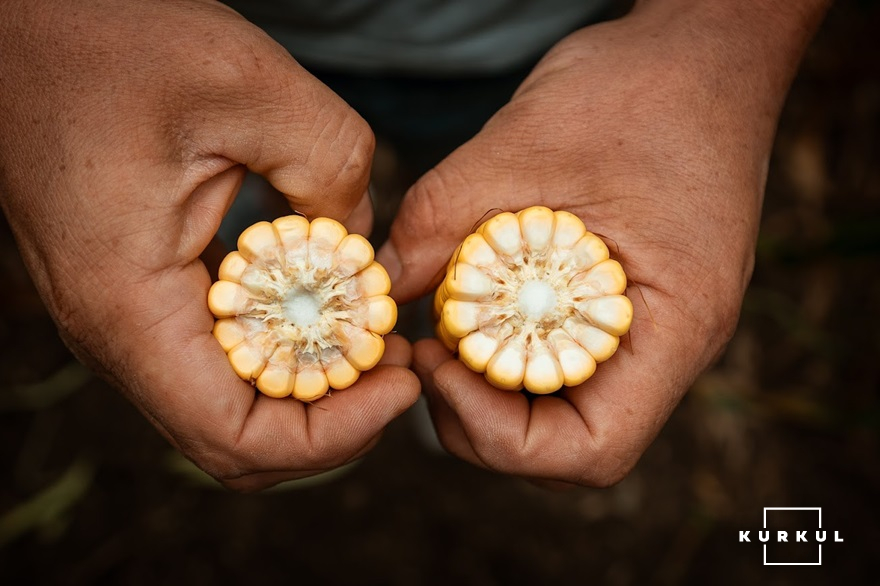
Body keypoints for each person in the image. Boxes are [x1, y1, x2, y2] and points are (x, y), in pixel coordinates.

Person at [0, 0, 829, 492]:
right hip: (173, 36)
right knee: (223, 182)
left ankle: (446, 349)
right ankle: (237, 223)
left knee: (476, 152)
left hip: (511, 42)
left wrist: (726, 33)